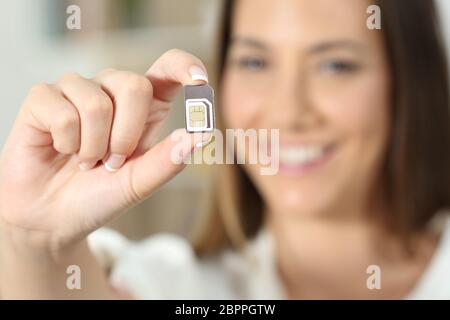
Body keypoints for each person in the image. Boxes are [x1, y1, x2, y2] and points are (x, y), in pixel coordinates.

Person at [1, 0, 450, 299]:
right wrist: (35, 244)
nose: (288, 112)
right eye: (255, 62)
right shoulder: (179, 290)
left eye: (335, 65)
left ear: (411, 81)